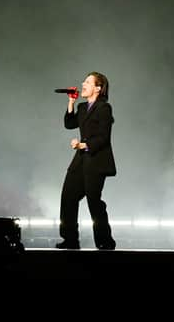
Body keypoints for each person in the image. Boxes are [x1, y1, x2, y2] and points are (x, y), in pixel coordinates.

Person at [56, 72, 117, 250]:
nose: (83, 83)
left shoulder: (104, 108)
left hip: (96, 161)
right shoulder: (83, 108)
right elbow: (69, 123)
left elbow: (103, 137)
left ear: (98, 88)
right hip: (80, 161)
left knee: (93, 200)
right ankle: (70, 239)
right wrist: (71, 102)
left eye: (88, 82)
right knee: (68, 197)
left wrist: (84, 145)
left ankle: (105, 241)